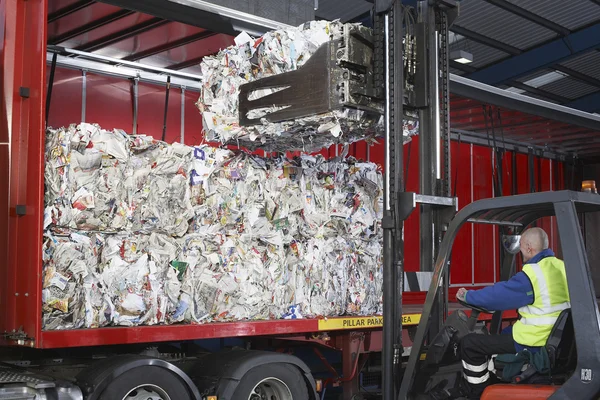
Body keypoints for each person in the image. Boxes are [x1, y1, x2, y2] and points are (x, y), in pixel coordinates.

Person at [434, 227, 570, 399]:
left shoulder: (534, 273)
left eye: (520, 246)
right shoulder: (562, 267)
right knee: (498, 335)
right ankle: (493, 379)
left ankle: (477, 392)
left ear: (529, 247)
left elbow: (498, 295)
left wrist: (468, 296)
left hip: (534, 342)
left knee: (469, 344)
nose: (520, 252)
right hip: (555, 340)